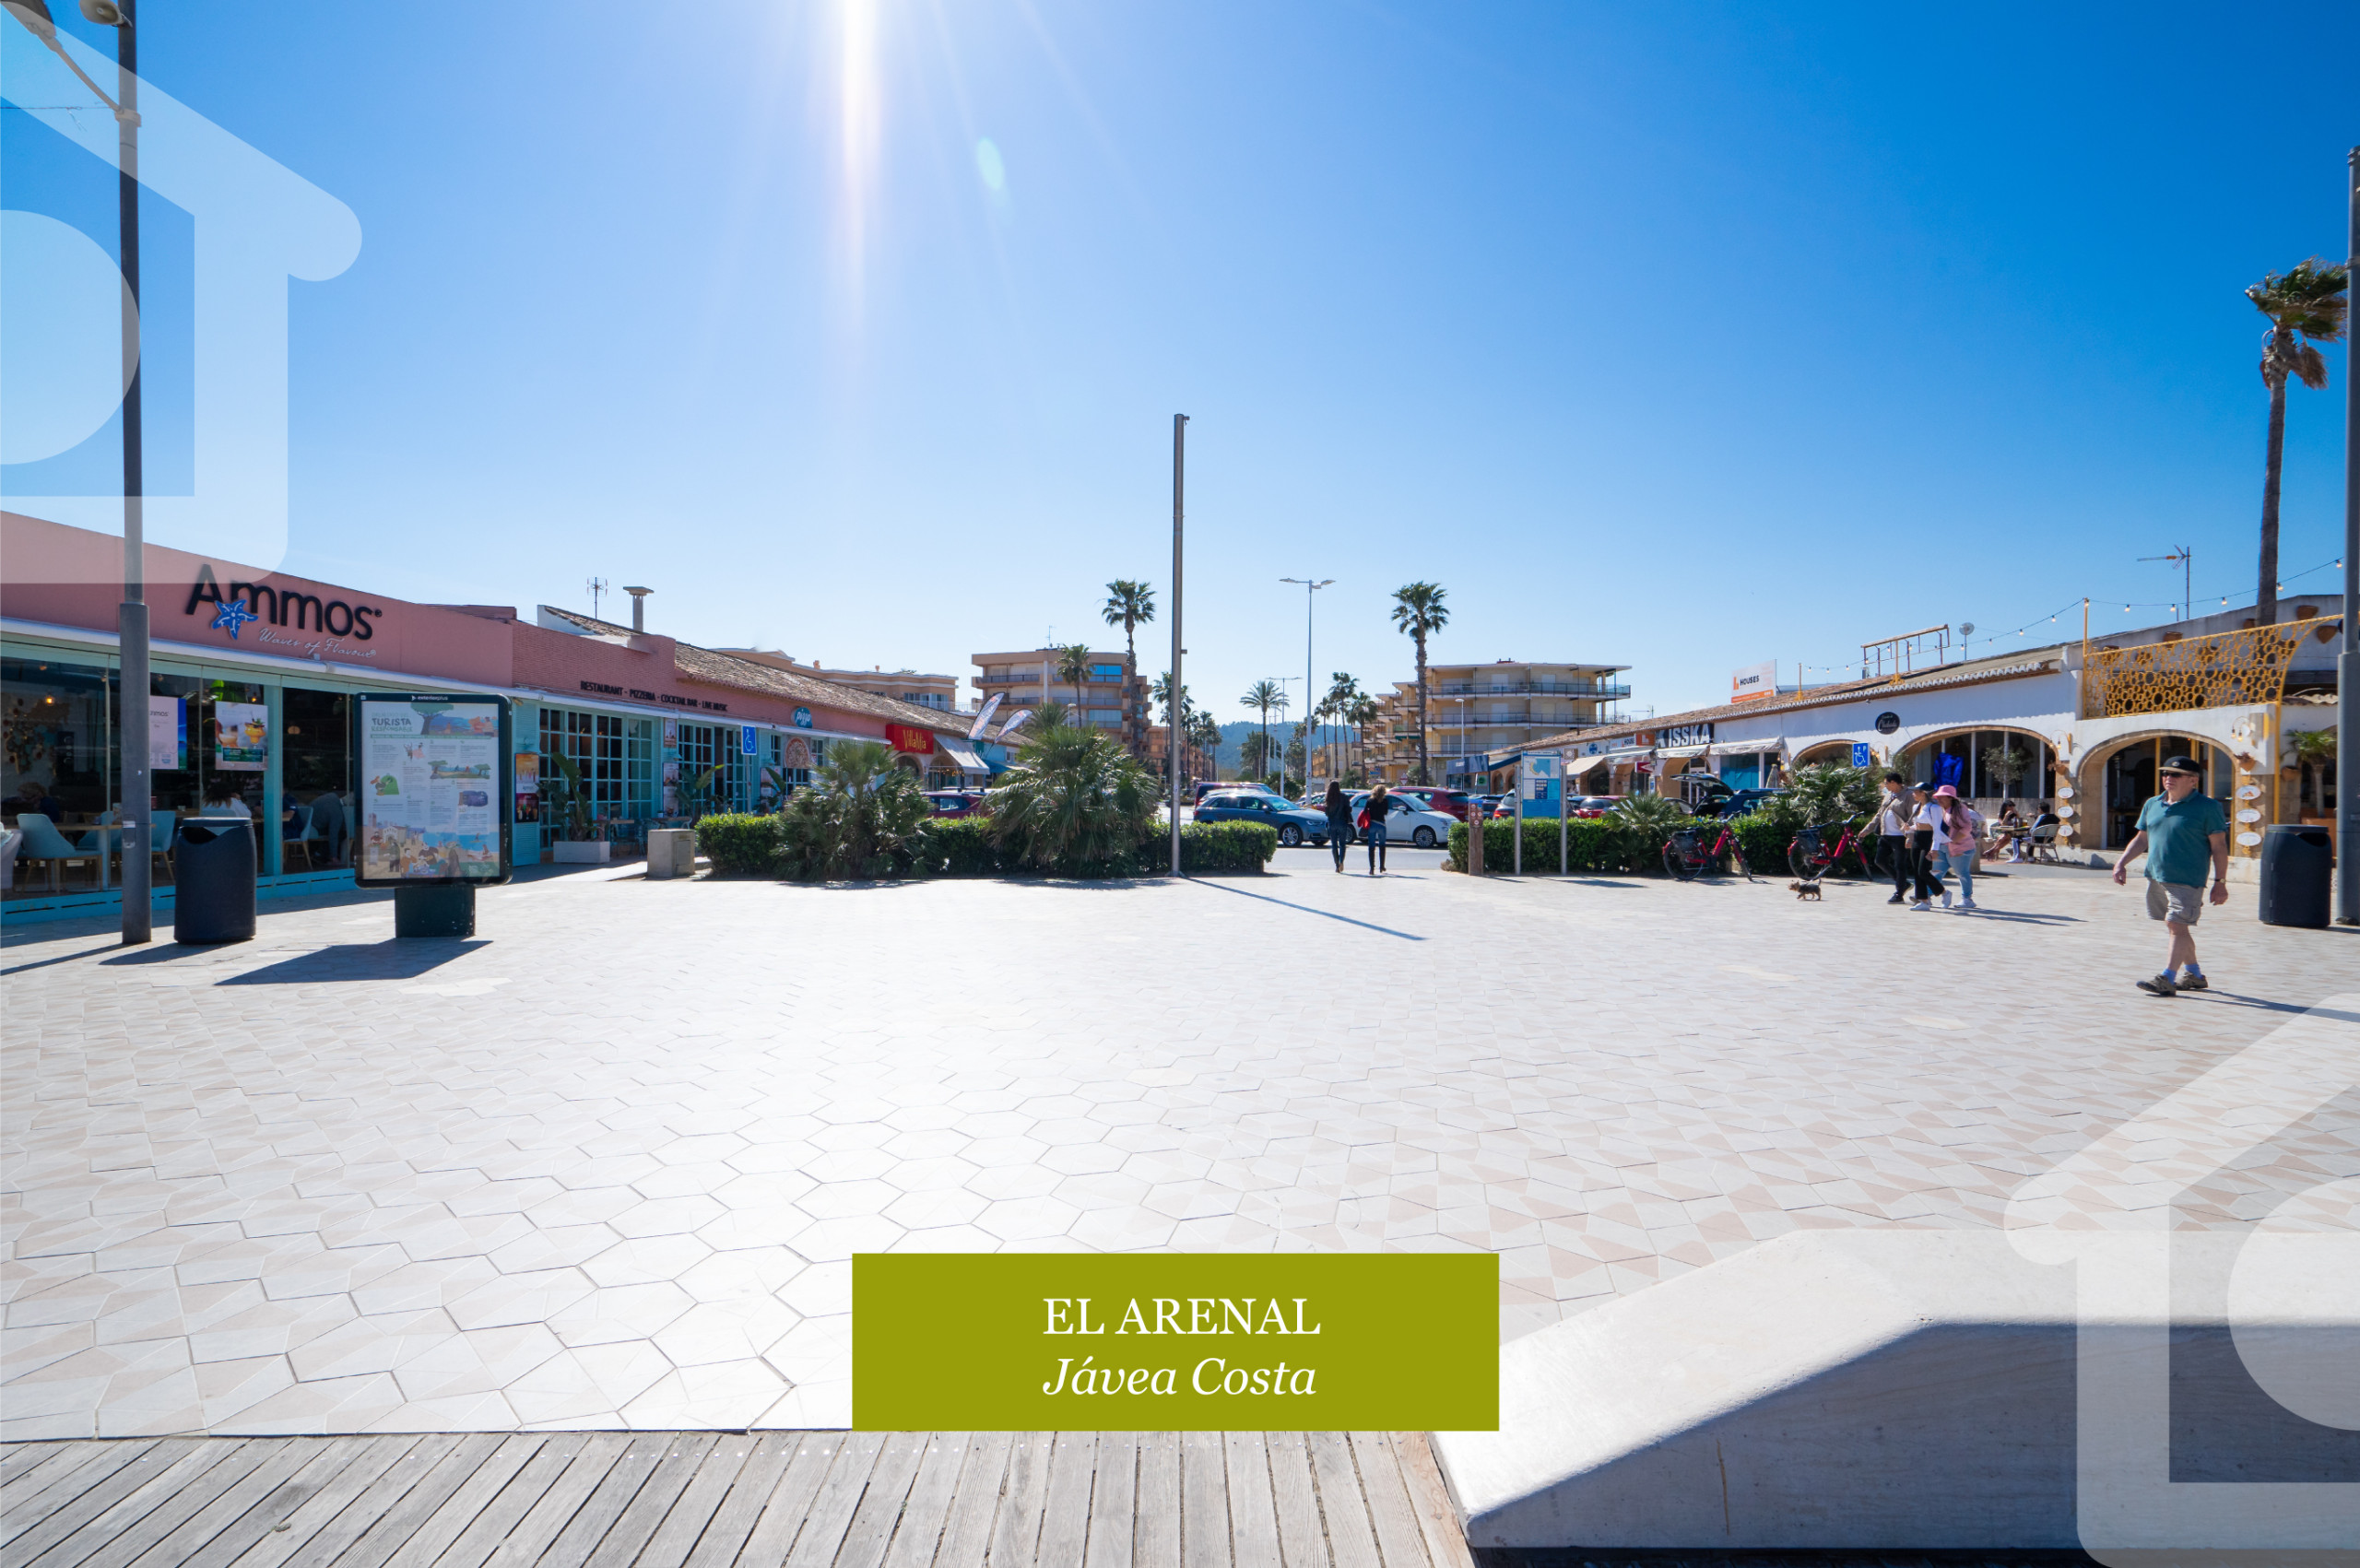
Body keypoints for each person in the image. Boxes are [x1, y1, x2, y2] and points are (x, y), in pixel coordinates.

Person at [2111, 754, 2229, 996]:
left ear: (2193, 780)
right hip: (2157, 876)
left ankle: (2167, 978)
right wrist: (2121, 863)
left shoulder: (2208, 807)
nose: (2168, 778)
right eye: (2165, 773)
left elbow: (2219, 846)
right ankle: (2194, 975)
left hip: (2188, 879)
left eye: (2176, 774)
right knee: (2178, 927)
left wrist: (2220, 882)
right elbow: (2141, 838)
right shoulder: (2152, 804)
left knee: (2176, 925)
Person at [1929, 784, 1979, 910]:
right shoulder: (1939, 810)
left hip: (1960, 848)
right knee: (1936, 873)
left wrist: (1953, 841)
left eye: (1942, 797)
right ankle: (1926, 896)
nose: (1939, 799)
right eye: (1938, 797)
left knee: (1962, 874)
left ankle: (1967, 899)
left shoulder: (1960, 809)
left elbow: (1966, 828)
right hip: (1942, 847)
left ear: (1950, 798)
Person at [1869, 772, 1914, 904]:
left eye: (1886, 783)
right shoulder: (1888, 795)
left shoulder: (1908, 795)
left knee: (1899, 865)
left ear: (1894, 782)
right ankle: (1903, 883)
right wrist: (1867, 829)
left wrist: (1910, 837)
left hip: (1900, 836)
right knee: (1879, 861)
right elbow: (1879, 814)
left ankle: (1899, 893)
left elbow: (1912, 817)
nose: (1885, 786)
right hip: (1885, 835)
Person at [1905, 782, 1944, 909]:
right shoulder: (1916, 807)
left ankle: (1943, 892)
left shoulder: (1934, 808)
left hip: (1928, 839)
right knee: (1917, 871)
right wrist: (1909, 829)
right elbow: (1917, 825)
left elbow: (1937, 829)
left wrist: (1935, 848)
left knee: (1923, 870)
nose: (1913, 793)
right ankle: (1923, 901)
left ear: (1923, 793)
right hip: (1918, 837)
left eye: (1916, 791)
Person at [1323, 781, 1353, 873]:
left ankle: (1337, 865)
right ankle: (1341, 861)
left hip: (1332, 823)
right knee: (1342, 844)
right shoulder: (1344, 797)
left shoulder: (1328, 798)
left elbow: (1327, 813)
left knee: (1334, 845)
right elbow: (1348, 809)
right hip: (1342, 822)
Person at [1363, 783, 1391, 875]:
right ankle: (1382, 866)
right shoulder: (1385, 801)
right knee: (1382, 846)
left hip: (1372, 824)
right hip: (1381, 824)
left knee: (1371, 847)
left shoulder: (1370, 800)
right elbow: (1386, 812)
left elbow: (1364, 811)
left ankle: (1372, 868)